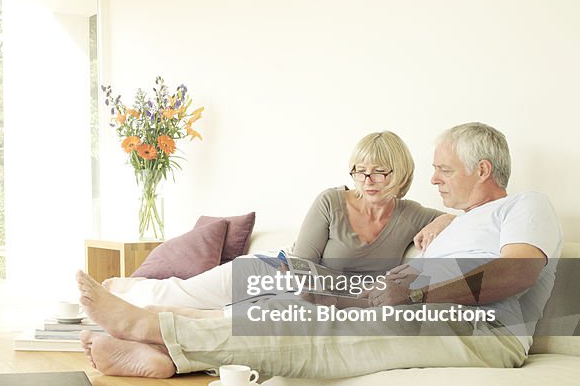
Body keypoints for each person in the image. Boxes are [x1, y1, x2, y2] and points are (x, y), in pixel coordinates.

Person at [76, 122, 562, 380]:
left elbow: (516, 273)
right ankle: (167, 353)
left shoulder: (526, 204)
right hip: (419, 309)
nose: (434, 179)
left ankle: (147, 326)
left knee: (318, 325)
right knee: (285, 304)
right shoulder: (456, 224)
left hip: (485, 331)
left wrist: (413, 297)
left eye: (444, 170)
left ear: (482, 170)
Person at [112, 131, 452, 316]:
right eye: (359, 171)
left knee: (201, 313)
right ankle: (119, 290)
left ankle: (149, 311)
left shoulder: (411, 214)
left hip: (316, 295)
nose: (368, 180)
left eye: (379, 171)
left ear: (401, 173)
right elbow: (301, 265)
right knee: (182, 294)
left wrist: (445, 219)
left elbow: (463, 219)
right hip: (277, 270)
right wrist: (355, 287)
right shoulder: (331, 201)